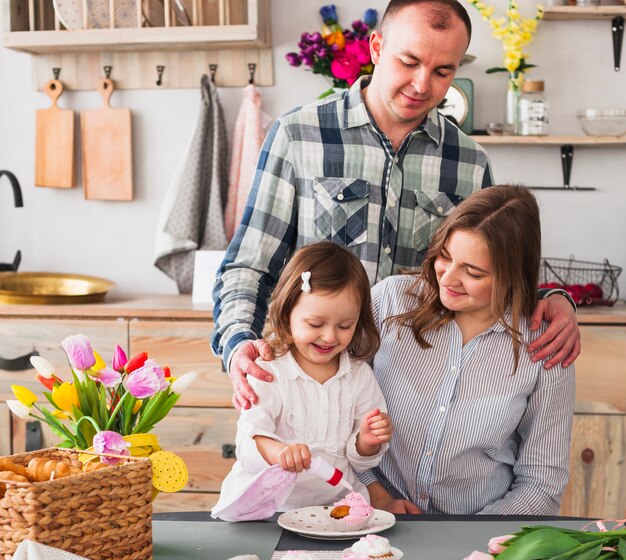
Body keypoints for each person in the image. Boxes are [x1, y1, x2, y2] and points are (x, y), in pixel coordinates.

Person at [211, 0, 580, 411]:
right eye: (409, 62)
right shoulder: (298, 135)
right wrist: (239, 342)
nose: (423, 85)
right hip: (308, 388)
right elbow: (250, 265)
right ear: (376, 48)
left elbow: (494, 274)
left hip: (415, 399)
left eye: (443, 72)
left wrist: (557, 298)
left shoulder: (470, 162)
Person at [360, 184, 576, 515]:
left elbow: (541, 483)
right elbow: (328, 411)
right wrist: (373, 494)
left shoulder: (545, 345)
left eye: (473, 272)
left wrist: (470, 540)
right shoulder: (388, 302)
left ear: (512, 276)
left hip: (480, 540)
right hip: (372, 520)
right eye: (445, 257)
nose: (448, 278)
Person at [214, 241, 393, 512]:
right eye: (315, 324)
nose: (330, 336)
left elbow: (361, 463)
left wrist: (366, 442)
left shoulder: (358, 376)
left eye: (345, 325)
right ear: (287, 314)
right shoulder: (270, 371)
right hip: (268, 511)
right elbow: (249, 441)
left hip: (336, 509)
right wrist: (279, 453)